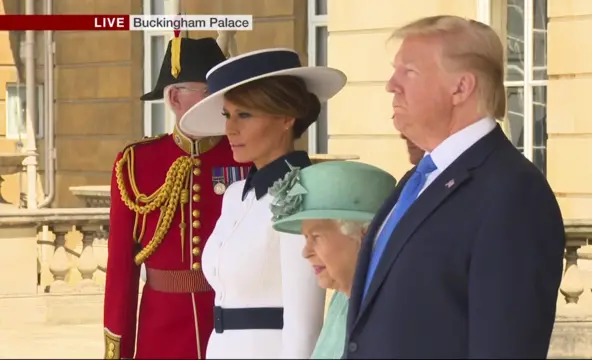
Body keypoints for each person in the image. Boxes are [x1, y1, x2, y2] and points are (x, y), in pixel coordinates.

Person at [345, 16, 565, 359]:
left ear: (461, 88)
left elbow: (505, 344)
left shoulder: (513, 193)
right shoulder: (416, 181)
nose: (391, 84)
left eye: (409, 71)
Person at [177, 48, 348, 358]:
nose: (230, 129)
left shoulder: (300, 194)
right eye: (227, 115)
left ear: (285, 117)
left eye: (244, 114)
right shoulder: (234, 194)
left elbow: (304, 324)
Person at [103, 36, 251, 359]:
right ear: (174, 97)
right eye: (210, 93)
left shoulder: (244, 157)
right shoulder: (136, 164)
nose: (221, 103)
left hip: (230, 329)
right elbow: (120, 274)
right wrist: (118, 350)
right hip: (162, 333)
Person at [269, 160, 396, 359]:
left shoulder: (392, 309)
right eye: (306, 238)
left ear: (363, 236)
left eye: (317, 237)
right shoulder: (342, 300)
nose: (306, 252)